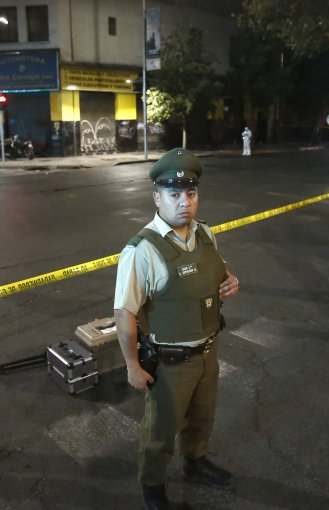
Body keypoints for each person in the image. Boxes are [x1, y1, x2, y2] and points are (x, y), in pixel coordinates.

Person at [114, 148, 240, 510]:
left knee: (202, 417)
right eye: (174, 194)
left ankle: (196, 463)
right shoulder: (142, 250)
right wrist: (132, 367)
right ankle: (153, 489)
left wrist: (231, 283)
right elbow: (125, 313)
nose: (184, 202)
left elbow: (217, 275)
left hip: (207, 351)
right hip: (170, 363)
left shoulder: (206, 235)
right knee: (160, 432)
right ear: (157, 198)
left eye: (191, 193)